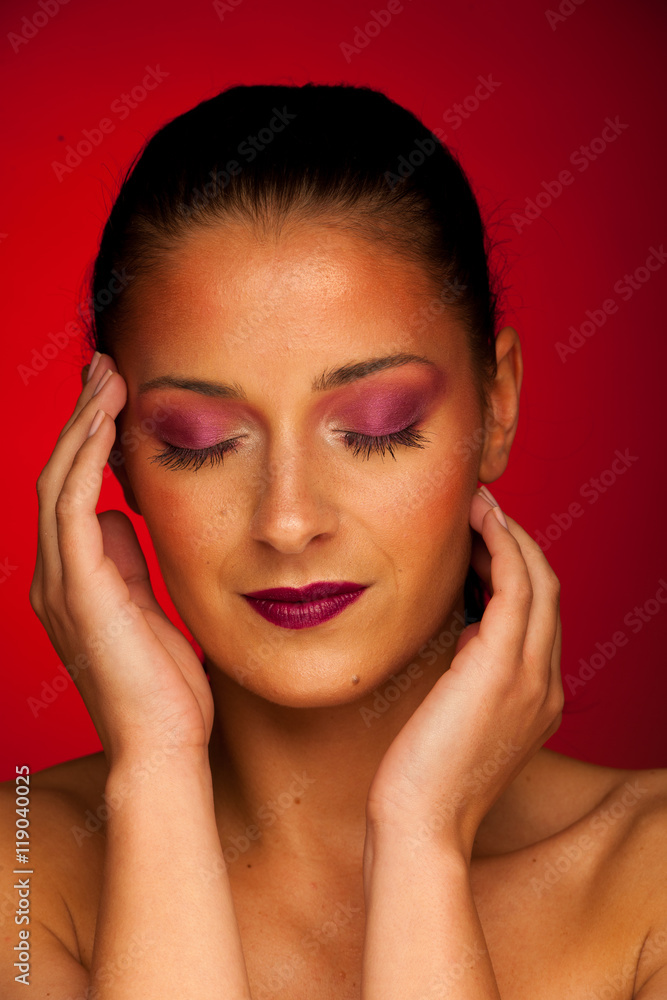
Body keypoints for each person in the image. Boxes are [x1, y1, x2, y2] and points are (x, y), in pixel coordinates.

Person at [2, 81, 666, 999]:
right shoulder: (20, 869)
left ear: (498, 405)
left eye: (376, 427)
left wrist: (421, 835)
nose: (286, 520)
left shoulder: (649, 876)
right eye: (200, 440)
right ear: (109, 447)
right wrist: (154, 771)